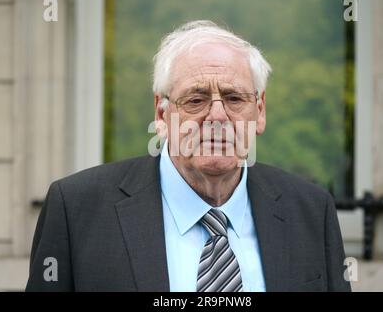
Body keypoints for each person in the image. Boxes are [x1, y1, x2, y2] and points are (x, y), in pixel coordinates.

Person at [26, 20, 351, 292]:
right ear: (162, 112)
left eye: (234, 98)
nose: (217, 117)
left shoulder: (311, 211)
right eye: (196, 100)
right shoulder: (76, 210)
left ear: (260, 110)